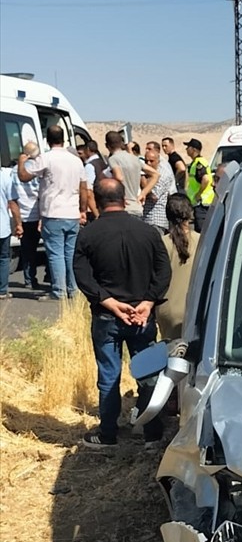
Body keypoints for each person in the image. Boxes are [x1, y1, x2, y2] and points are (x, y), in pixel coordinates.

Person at [73, 177, 172, 453]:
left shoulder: (89, 235)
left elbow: (82, 275)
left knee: (108, 376)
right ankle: (152, 435)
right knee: (149, 375)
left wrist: (110, 302)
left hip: (107, 318)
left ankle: (108, 435)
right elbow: (163, 271)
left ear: (97, 200)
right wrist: (148, 302)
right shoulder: (148, 232)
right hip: (142, 318)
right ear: (125, 198)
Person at [16, 124, 86, 299]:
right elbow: (84, 187)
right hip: (72, 213)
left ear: (47, 140)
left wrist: (21, 162)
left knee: (55, 254)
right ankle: (73, 289)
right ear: (63, 139)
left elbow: (24, 177)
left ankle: (58, 291)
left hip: (53, 213)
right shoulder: (76, 160)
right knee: (70, 253)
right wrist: (82, 209)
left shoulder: (46, 158)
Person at [157, 193, 196, 340]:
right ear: (190, 214)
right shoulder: (203, 241)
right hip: (195, 309)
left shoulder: (161, 243)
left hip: (167, 310)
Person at [14, 143, 44, 292]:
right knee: (36, 249)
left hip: (20, 214)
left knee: (26, 249)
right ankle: (34, 279)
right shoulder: (38, 169)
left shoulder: (14, 170)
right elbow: (42, 194)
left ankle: (28, 278)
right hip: (36, 214)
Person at [106, 130, 146, 217]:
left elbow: (119, 177)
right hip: (137, 207)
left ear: (107, 146)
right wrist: (143, 193)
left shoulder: (113, 159)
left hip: (125, 208)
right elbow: (155, 174)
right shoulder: (135, 159)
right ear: (121, 143)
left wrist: (120, 195)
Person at [141, 141, 175, 234]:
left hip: (156, 219)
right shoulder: (149, 173)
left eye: (151, 161)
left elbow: (153, 196)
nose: (148, 164)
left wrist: (142, 178)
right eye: (146, 161)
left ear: (158, 160)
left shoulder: (163, 174)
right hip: (146, 217)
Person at [0, 166, 23, 299]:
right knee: (3, 258)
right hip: (2, 226)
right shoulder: (5, 177)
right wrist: (18, 224)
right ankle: (2, 291)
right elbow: (13, 204)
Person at [184, 138, 214, 233]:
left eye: (188, 147)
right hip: (198, 203)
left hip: (202, 203)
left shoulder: (199, 163)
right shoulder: (195, 162)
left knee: (201, 231)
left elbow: (205, 179)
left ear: (194, 149)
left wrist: (199, 194)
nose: (186, 149)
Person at [78, 139, 108, 221]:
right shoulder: (103, 163)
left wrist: (96, 215)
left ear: (87, 149)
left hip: (94, 210)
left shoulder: (90, 166)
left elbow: (88, 192)